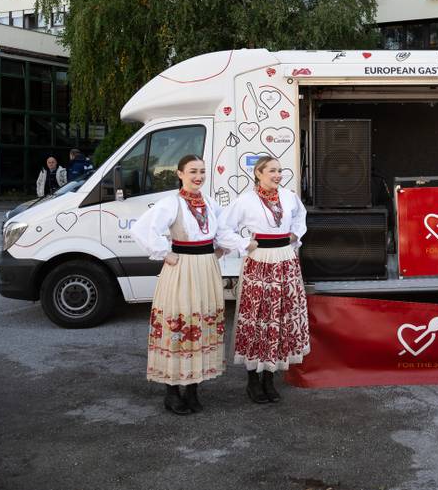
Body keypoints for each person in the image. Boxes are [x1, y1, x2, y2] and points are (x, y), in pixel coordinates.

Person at [130, 155, 235, 415]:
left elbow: (223, 230)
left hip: (206, 269)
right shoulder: (171, 203)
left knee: (200, 324)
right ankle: (172, 391)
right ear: (179, 174)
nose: (198, 176)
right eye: (192, 171)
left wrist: (224, 247)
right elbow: (142, 229)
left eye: (201, 171)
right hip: (182, 269)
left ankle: (193, 388)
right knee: (180, 323)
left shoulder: (209, 203)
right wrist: (164, 253)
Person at [219, 156, 309, 404]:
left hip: (285, 259)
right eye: (272, 170)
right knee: (257, 318)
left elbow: (300, 218)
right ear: (258, 173)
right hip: (259, 261)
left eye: (279, 170)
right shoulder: (245, 200)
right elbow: (223, 227)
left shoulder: (289, 197)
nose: (278, 175)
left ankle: (270, 379)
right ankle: (252, 381)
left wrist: (294, 235)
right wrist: (243, 244)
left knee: (279, 318)